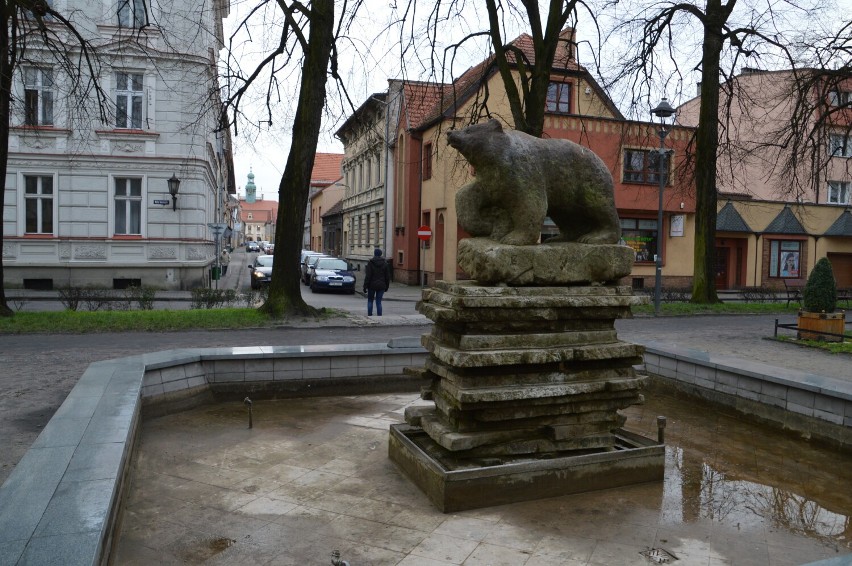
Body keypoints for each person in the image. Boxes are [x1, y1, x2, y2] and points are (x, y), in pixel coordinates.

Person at [363, 248, 391, 316]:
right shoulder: (385, 264)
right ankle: (379, 316)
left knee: (370, 300)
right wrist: (387, 286)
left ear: (374, 254)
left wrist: (365, 286)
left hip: (371, 285)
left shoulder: (370, 263)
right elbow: (387, 277)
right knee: (378, 302)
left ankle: (369, 315)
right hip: (381, 285)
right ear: (381, 254)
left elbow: (368, 276)